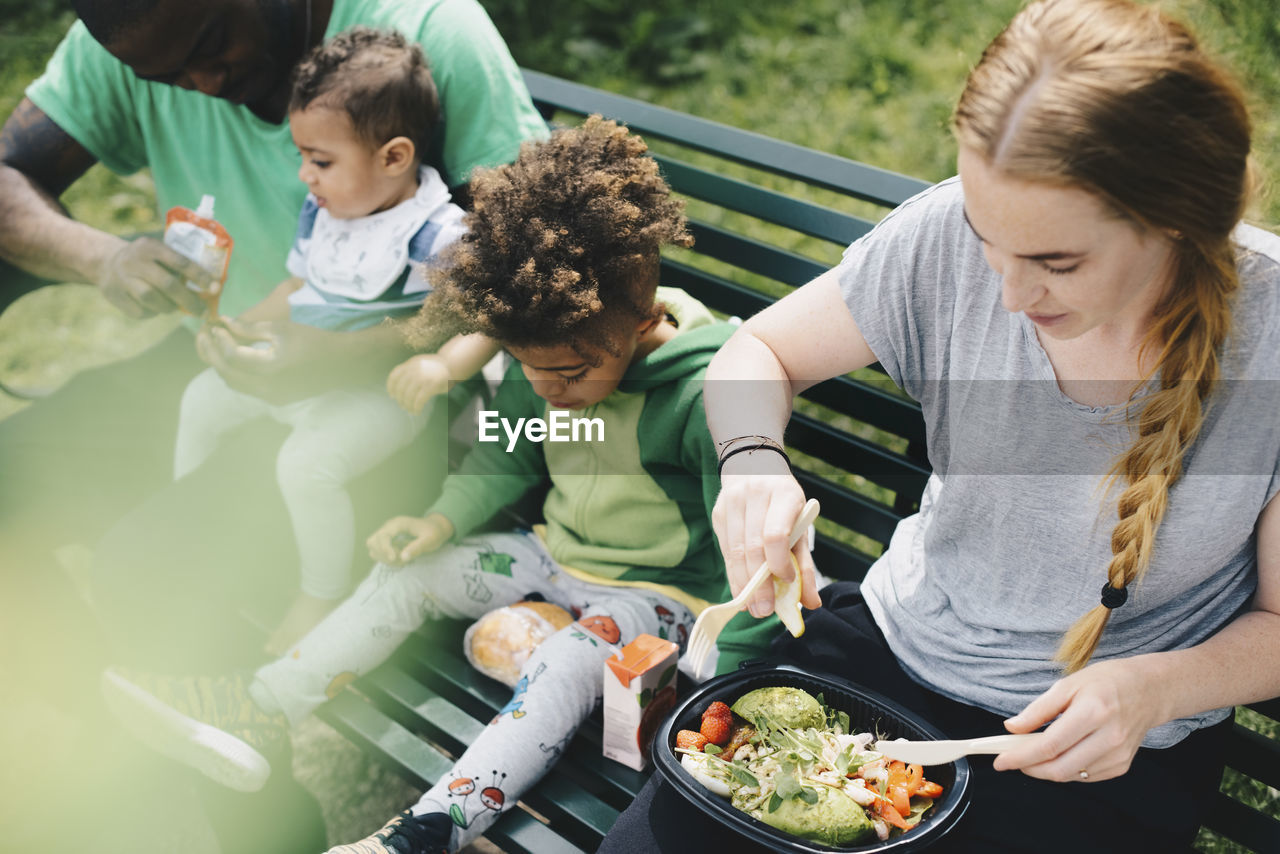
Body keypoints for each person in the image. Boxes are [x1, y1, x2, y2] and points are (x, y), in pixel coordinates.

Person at [600, 0, 1280, 850]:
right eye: (987, 241)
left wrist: (1152, 690)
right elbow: (756, 354)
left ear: (1177, 216)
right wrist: (750, 462)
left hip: (1097, 747)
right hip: (890, 651)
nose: (1008, 298)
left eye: (1056, 263)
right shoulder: (942, 236)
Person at [98, 116, 780, 853]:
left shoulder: (710, 390)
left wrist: (730, 680)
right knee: (409, 573)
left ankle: (419, 836)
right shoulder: (547, 346)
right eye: (530, 367)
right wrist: (441, 524)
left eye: (574, 371)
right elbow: (509, 456)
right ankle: (258, 703)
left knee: (563, 664)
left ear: (643, 321)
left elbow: (751, 546)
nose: (550, 389)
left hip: (661, 598)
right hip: (554, 557)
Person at [173, 27, 500, 653]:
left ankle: (319, 593)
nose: (305, 176)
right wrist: (241, 325)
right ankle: (192, 523)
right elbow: (298, 282)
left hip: (376, 400)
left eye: (320, 161)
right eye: (303, 157)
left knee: (304, 466)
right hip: (300, 376)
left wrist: (442, 367)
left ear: (394, 157)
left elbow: (493, 312)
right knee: (201, 397)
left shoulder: (434, 232)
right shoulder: (323, 210)